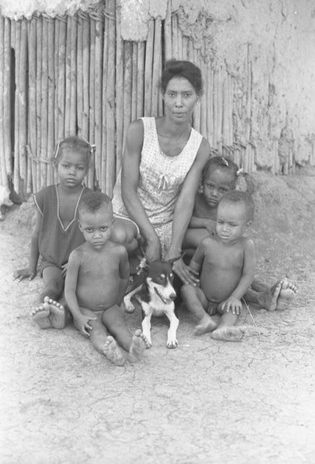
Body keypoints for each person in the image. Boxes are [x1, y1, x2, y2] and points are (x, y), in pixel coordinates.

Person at [110, 59, 211, 285]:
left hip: (167, 223)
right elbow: (127, 190)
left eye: (187, 95)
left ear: (198, 96)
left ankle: (157, 271)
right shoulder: (140, 130)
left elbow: (186, 200)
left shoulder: (199, 146)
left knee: (210, 244)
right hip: (130, 217)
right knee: (120, 238)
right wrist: (151, 238)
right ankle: (138, 269)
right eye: (172, 94)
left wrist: (174, 248)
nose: (178, 103)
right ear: (163, 95)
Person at [183, 155, 297, 310]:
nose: (215, 193)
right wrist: (205, 222)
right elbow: (184, 220)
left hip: (219, 261)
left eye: (222, 190)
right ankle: (262, 295)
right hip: (196, 256)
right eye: (210, 186)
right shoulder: (196, 200)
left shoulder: (227, 208)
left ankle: (266, 294)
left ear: (232, 190)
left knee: (235, 266)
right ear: (202, 183)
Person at [13, 136, 94, 329]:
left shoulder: (91, 200)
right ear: (55, 164)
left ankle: (62, 314)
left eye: (79, 168)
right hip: (51, 260)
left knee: (74, 291)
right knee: (52, 286)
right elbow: (37, 233)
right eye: (66, 166)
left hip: (78, 263)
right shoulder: (45, 196)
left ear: (86, 170)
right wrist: (32, 267)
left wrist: (80, 259)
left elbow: (96, 236)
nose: (72, 172)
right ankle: (45, 308)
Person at [64, 191, 149, 365]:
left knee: (120, 327)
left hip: (111, 307)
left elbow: (125, 277)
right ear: (80, 227)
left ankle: (133, 347)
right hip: (86, 310)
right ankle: (108, 350)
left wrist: (118, 301)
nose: (97, 235)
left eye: (103, 229)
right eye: (90, 230)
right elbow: (69, 291)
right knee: (97, 331)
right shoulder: (77, 256)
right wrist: (78, 315)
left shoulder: (119, 252)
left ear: (112, 223)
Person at [181, 190, 256, 341]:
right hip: (204, 296)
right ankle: (204, 319)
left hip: (226, 300)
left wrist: (235, 297)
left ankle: (224, 328)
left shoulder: (246, 246)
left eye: (232, 225)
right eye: (220, 222)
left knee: (233, 309)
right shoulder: (207, 243)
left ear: (246, 225)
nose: (224, 228)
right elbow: (195, 262)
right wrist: (191, 278)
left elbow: (248, 275)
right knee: (186, 290)